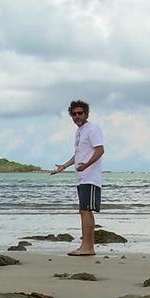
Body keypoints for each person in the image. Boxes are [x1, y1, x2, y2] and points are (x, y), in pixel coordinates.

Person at [49, 99, 104, 256]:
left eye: (80, 113)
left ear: (86, 113)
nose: (77, 116)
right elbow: (78, 154)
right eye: (74, 114)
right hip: (81, 177)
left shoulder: (92, 128)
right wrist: (63, 167)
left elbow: (100, 150)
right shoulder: (80, 132)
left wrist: (86, 165)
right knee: (84, 211)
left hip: (90, 177)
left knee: (85, 210)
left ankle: (88, 247)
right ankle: (86, 246)